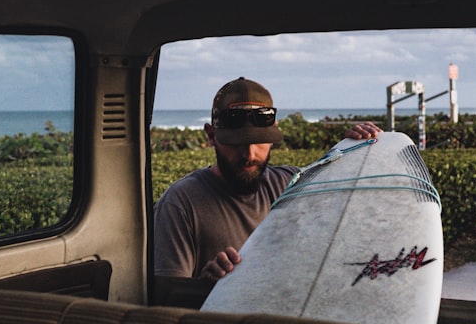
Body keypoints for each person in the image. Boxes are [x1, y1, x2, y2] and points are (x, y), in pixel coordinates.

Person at [153, 77, 381, 281]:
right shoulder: (180, 204)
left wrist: (356, 146)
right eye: (236, 143)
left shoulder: (291, 184)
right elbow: (167, 303)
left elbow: (352, 209)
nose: (250, 155)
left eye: (260, 141)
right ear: (211, 136)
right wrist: (204, 286)